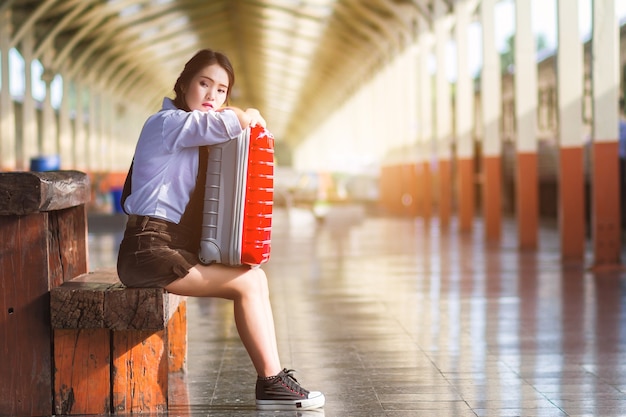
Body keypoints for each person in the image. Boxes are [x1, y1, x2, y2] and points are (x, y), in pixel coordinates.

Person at [116, 49, 325, 411]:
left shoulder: (188, 131)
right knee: (246, 284)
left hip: (164, 245)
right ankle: (270, 383)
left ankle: (273, 379)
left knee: (254, 277)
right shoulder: (168, 123)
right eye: (204, 83)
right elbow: (236, 123)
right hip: (147, 251)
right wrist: (250, 114)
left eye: (222, 90)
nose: (212, 96)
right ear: (183, 85)